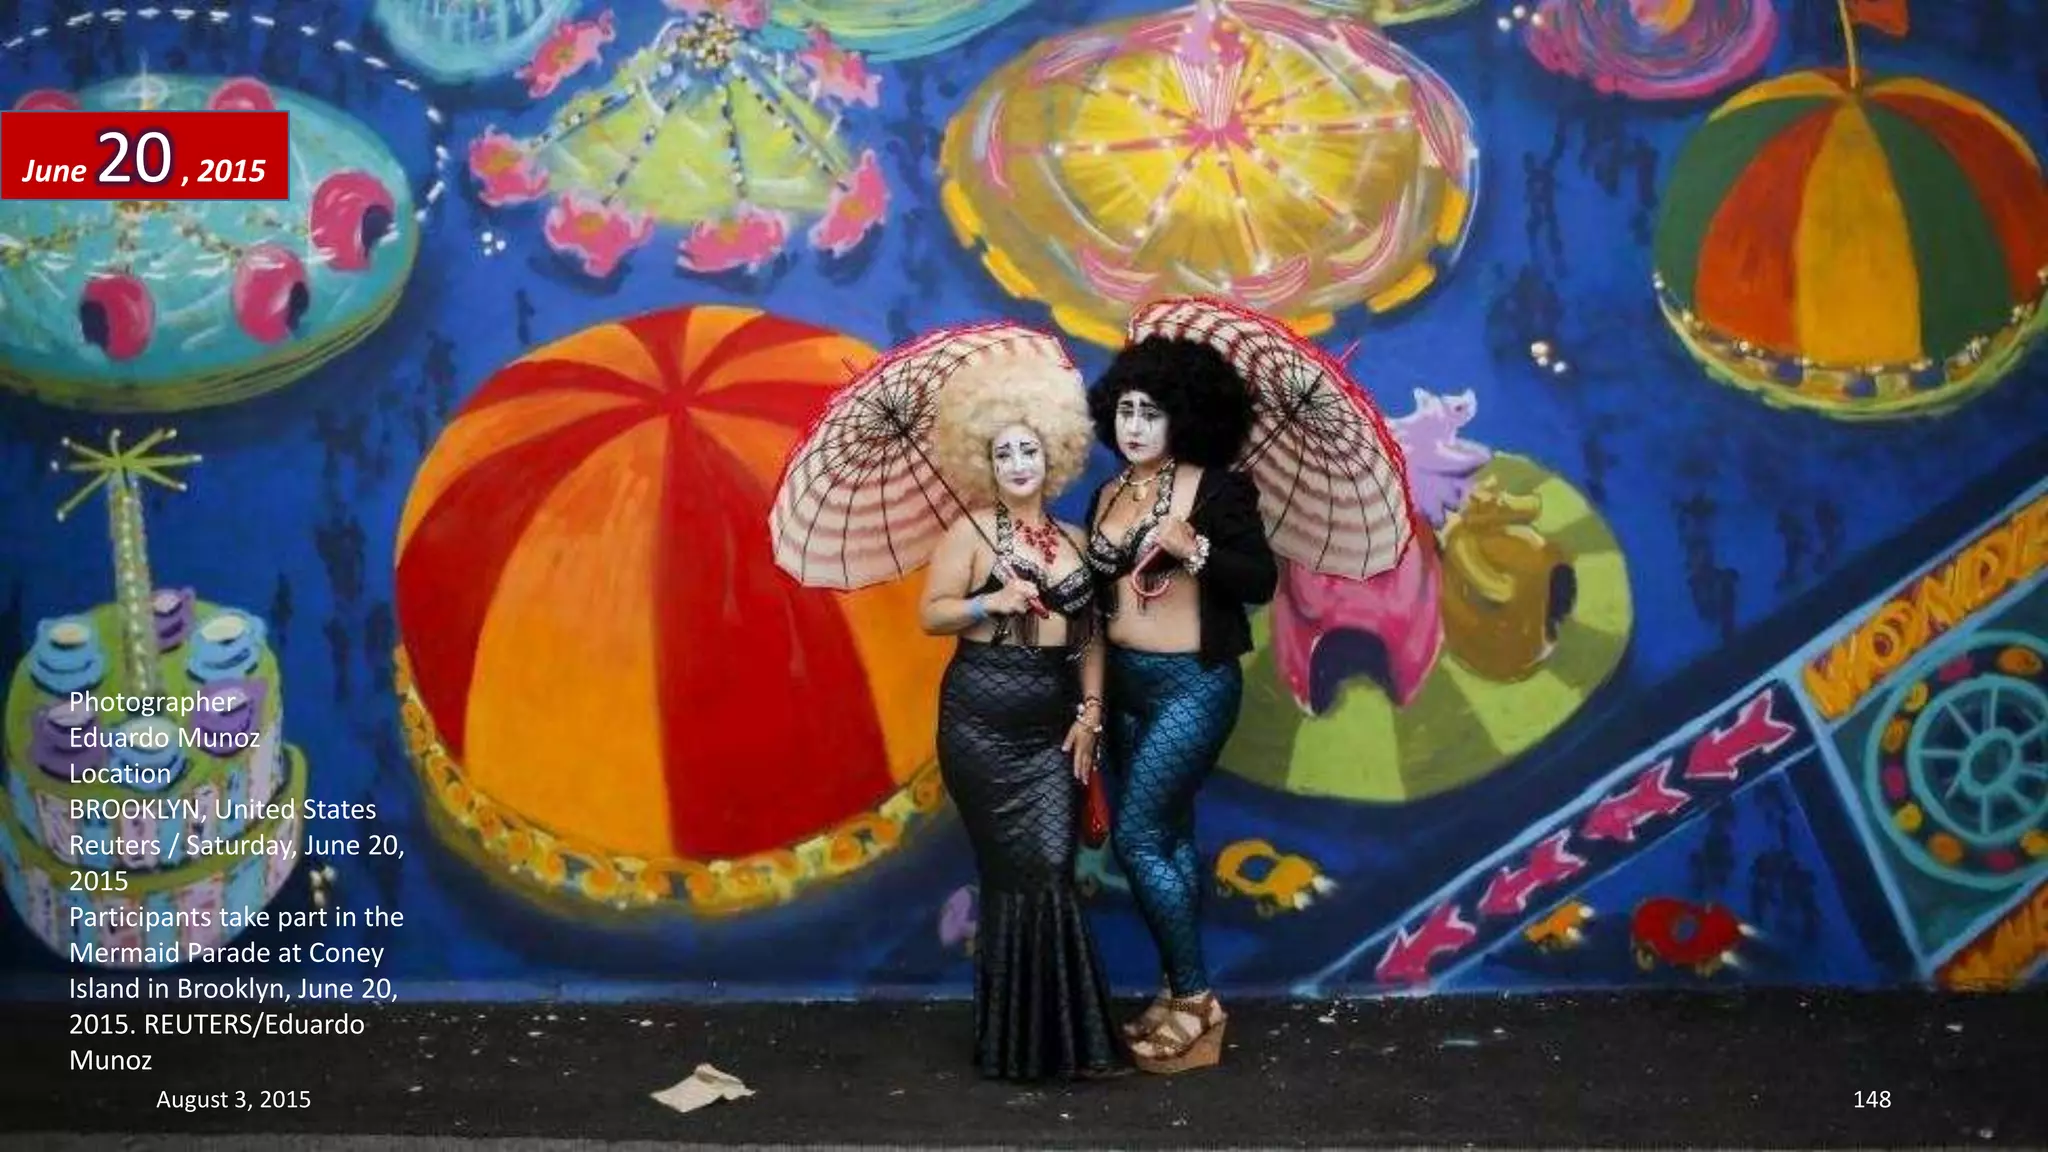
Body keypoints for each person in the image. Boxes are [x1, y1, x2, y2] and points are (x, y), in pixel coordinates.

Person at [919, 349, 1129, 1082]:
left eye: (1028, 448)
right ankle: (1017, 1041)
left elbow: (1093, 634)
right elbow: (932, 616)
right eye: (1002, 451)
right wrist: (990, 602)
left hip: (1052, 730)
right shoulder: (969, 536)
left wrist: (1092, 713)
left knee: (1051, 867)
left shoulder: (1075, 543)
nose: (1016, 461)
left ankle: (1057, 1037)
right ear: (986, 462)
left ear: (1054, 453)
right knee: (1017, 872)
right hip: (980, 725)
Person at [1084, 335, 1276, 1075]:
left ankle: (1197, 1000)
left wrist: (1194, 549)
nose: (1134, 426)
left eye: (1152, 413)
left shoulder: (1219, 490)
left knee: (1135, 839)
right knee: (1167, 841)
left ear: (1185, 420)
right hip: (1125, 686)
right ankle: (1173, 989)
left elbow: (1259, 581)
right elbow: (1102, 598)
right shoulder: (1108, 494)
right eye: (1126, 410)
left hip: (1192, 687)